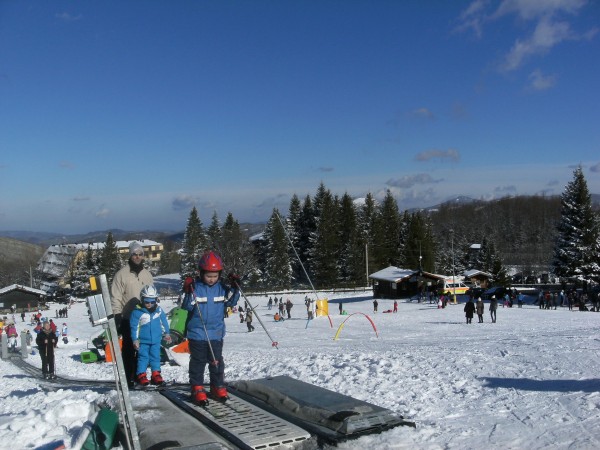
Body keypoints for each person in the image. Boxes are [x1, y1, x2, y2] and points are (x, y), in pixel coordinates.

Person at [182, 251, 240, 405]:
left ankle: (217, 385)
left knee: (216, 361)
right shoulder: (196, 288)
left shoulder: (221, 288)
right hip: (197, 333)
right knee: (198, 361)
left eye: (215, 276)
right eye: (208, 276)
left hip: (216, 332)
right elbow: (187, 306)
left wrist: (236, 287)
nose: (212, 279)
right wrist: (188, 291)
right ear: (201, 273)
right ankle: (197, 387)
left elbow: (231, 302)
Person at [111, 241, 154, 387]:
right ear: (130, 255)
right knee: (129, 349)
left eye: (140, 254)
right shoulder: (121, 275)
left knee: (143, 349)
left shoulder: (147, 275)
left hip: (144, 318)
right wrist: (117, 315)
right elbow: (115, 296)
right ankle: (128, 377)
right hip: (128, 318)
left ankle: (139, 375)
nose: (137, 257)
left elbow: (152, 294)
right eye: (134, 254)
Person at [130, 285, 171, 386]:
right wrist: (135, 340)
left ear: (156, 300)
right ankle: (141, 375)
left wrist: (167, 333)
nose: (149, 304)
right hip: (143, 341)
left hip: (156, 340)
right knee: (143, 357)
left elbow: (164, 322)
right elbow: (134, 327)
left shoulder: (159, 310)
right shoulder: (137, 312)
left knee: (155, 357)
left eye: (152, 302)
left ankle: (156, 374)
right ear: (142, 299)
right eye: (147, 301)